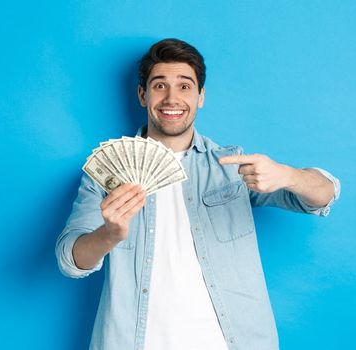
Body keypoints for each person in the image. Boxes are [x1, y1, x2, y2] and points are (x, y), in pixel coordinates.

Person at [56, 38, 340, 350]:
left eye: (185, 86)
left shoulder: (232, 166)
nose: (172, 98)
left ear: (201, 96)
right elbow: (70, 259)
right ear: (142, 95)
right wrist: (109, 235)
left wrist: (288, 175)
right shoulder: (105, 173)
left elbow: (326, 193)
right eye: (159, 85)